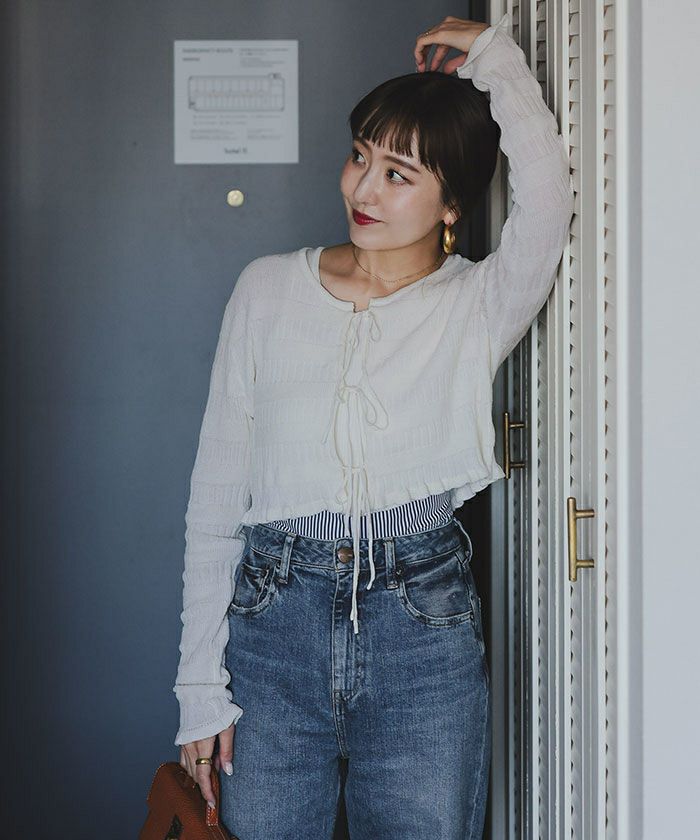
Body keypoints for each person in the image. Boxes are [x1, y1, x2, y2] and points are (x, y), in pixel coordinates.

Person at [172, 12, 574, 839]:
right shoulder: (265, 290)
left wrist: (493, 57)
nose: (363, 190)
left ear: (452, 202)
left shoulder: (477, 305)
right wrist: (198, 692)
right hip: (273, 625)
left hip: (422, 629)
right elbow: (215, 503)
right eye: (361, 156)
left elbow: (549, 195)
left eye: (399, 174)